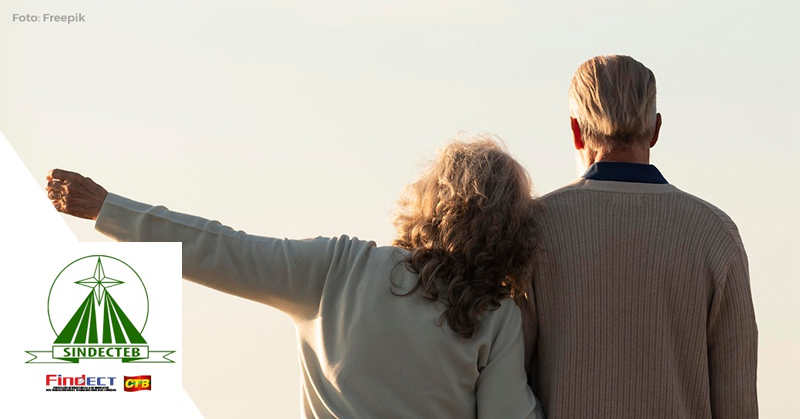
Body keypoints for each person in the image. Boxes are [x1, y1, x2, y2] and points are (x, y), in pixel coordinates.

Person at [47, 138, 545, 419]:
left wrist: (110, 210)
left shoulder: (336, 269)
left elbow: (220, 249)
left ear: (427, 200)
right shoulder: (496, 313)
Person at [521, 55, 759, 418]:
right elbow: (737, 399)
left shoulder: (533, 228)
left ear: (575, 130)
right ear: (656, 129)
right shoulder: (714, 233)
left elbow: (508, 382)